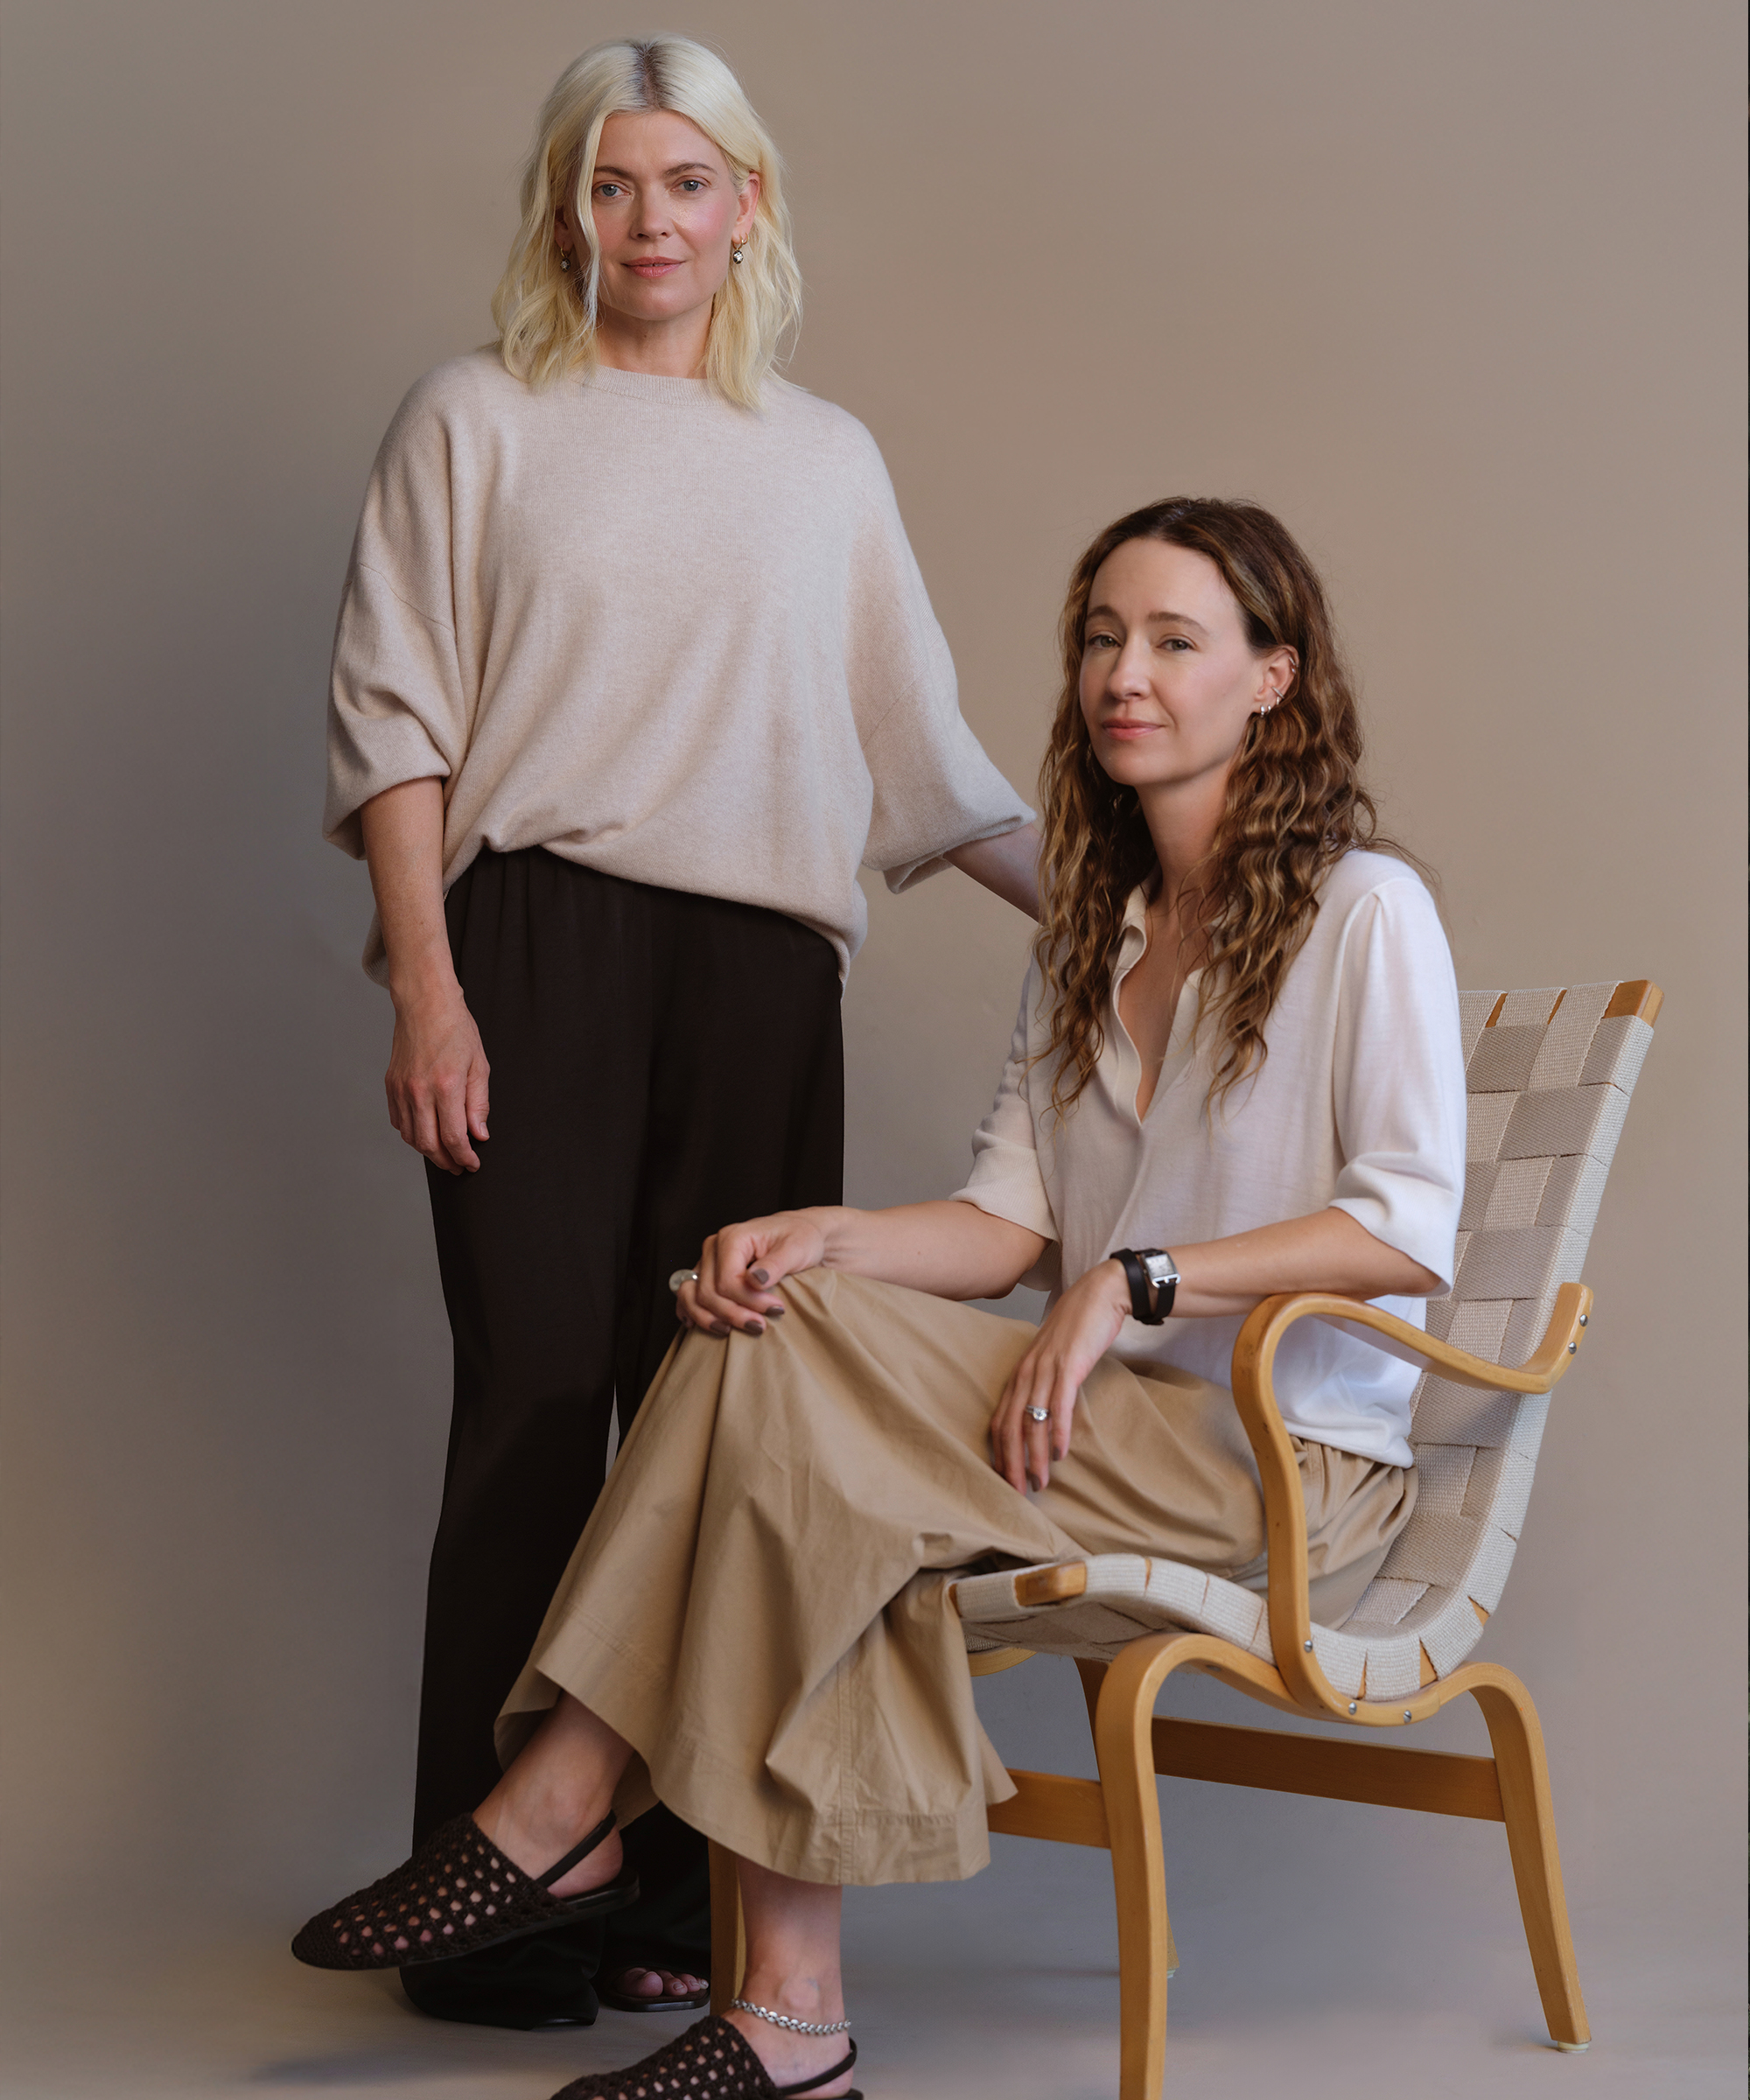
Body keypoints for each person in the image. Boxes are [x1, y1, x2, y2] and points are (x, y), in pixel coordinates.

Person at [299, 497, 1466, 2099]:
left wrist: (1134, 1282)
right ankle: (780, 2017)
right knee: (778, 1340)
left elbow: (1405, 1229)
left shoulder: (1363, 911)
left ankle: (570, 1803)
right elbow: (1000, 1227)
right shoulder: (1096, 936)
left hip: (1285, 1462)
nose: (1123, 675)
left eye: (1176, 642)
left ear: (1274, 678)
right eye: (1100, 638)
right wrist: (810, 1235)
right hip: (1105, 1429)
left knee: (799, 1411)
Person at [322, 35, 1038, 2031]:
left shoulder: (824, 459)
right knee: (542, 1404)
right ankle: (498, 1903)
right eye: (614, 183)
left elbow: (927, 760)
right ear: (570, 205)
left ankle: (681, 1903)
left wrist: (1159, 917)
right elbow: (396, 718)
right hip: (529, 947)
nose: (652, 221)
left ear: (749, 207)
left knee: (726, 1427)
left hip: (758, 977)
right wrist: (431, 986)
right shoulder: (476, 418)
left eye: (689, 183)